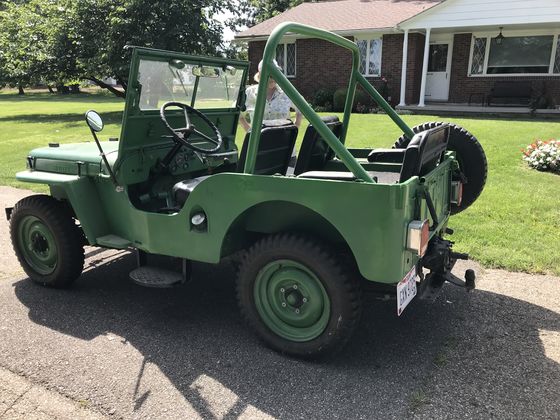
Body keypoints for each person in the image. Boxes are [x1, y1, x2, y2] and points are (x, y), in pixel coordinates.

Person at [239, 59, 302, 132]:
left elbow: (300, 108)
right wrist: (249, 131)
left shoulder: (286, 92)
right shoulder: (250, 92)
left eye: (274, 73)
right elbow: (237, 112)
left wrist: (295, 128)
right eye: (268, 74)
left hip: (283, 137)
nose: (272, 77)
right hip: (259, 139)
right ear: (260, 75)